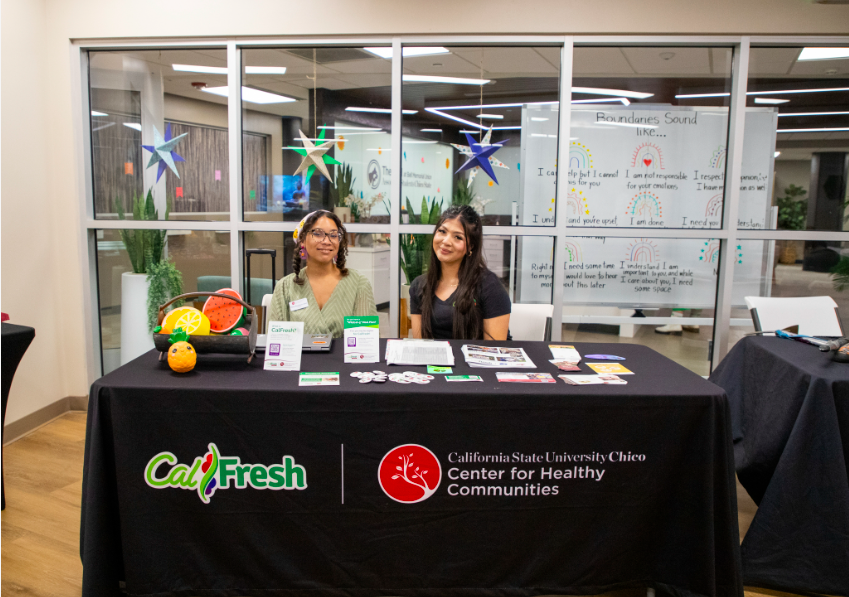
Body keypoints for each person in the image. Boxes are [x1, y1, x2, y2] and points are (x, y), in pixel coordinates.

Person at [267, 210, 376, 338]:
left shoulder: (359, 284)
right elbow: (276, 343)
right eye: (318, 234)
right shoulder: (285, 287)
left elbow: (365, 342)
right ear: (302, 239)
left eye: (334, 235)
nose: (327, 241)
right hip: (299, 358)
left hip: (343, 358)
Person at [410, 205, 511, 340]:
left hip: (476, 359)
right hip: (437, 359)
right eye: (442, 231)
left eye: (458, 237)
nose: (446, 241)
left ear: (471, 247)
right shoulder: (419, 286)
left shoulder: (489, 286)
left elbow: (494, 350)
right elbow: (420, 344)